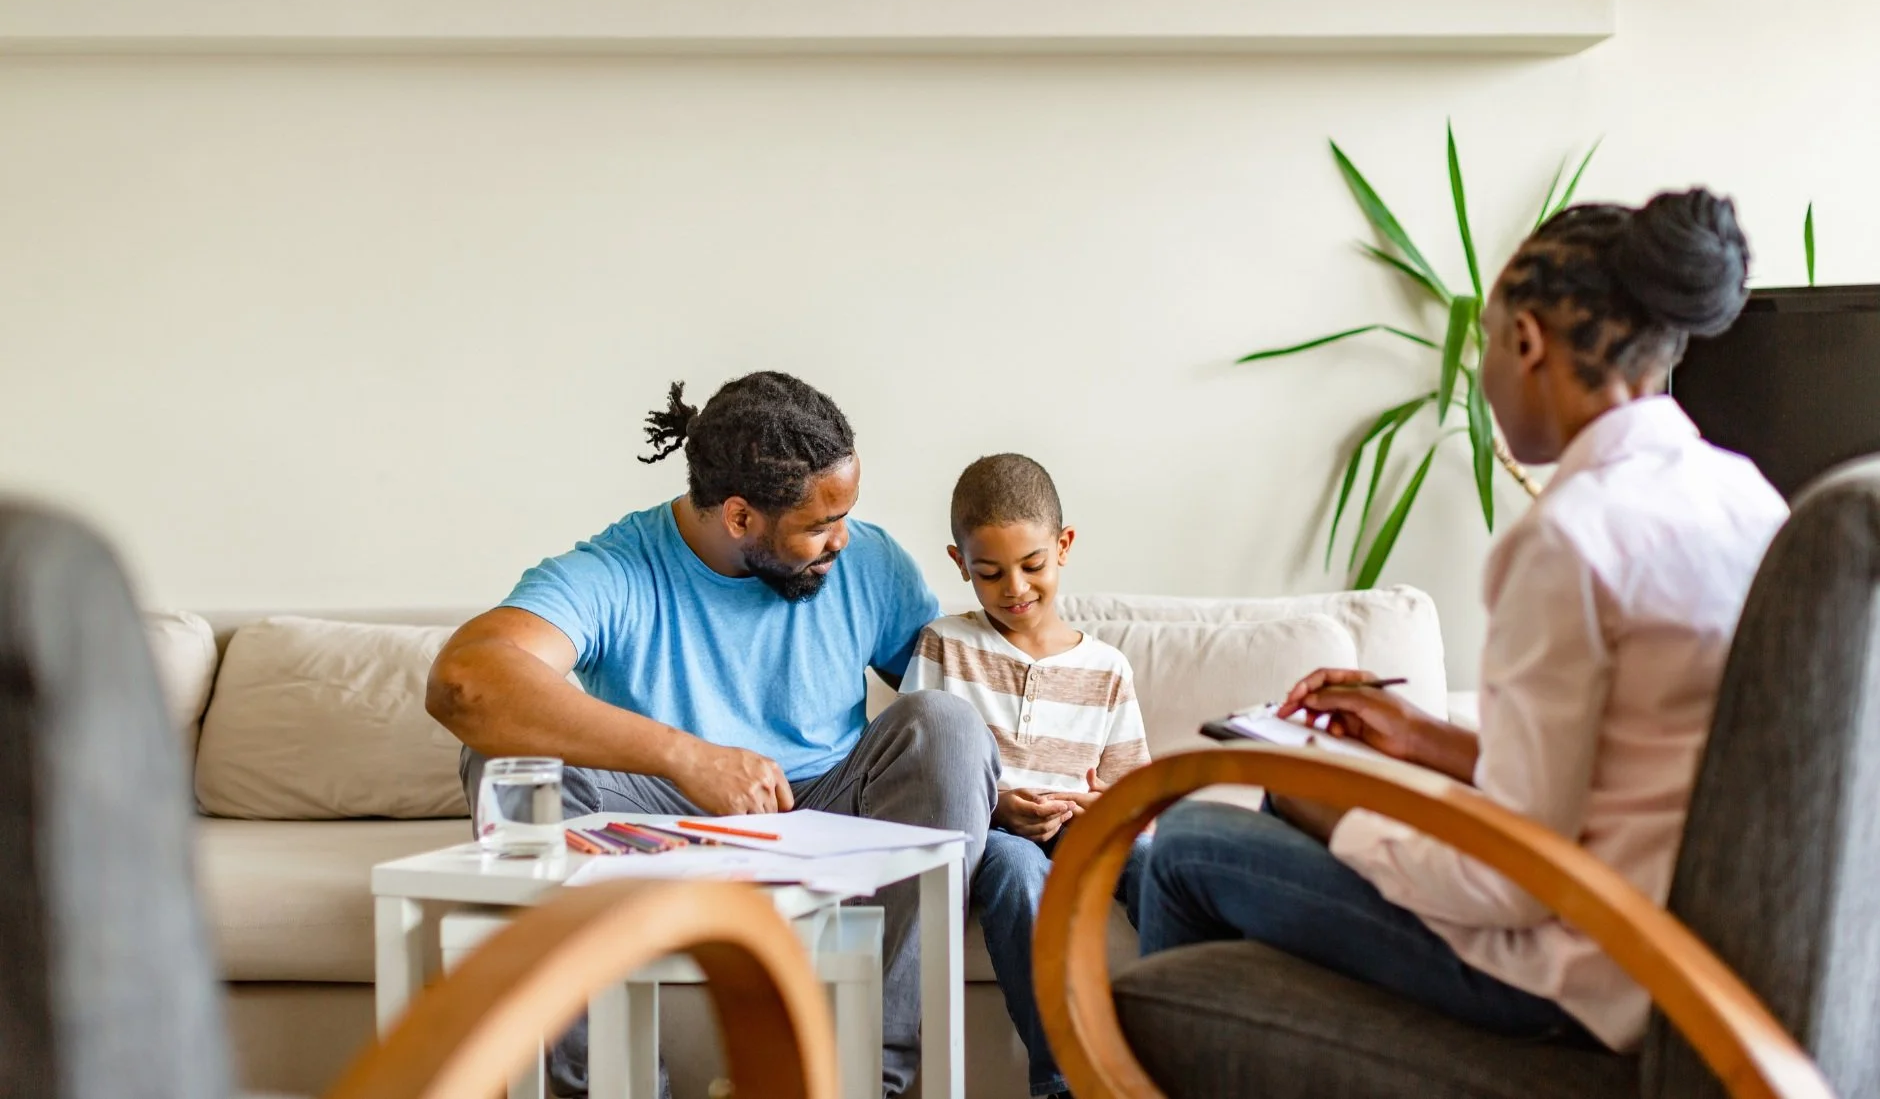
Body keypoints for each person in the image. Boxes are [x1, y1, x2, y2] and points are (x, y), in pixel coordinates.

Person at [1136, 188, 1788, 1059]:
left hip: (1580, 973)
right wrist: (1422, 739)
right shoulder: (1745, 494)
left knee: (1184, 844)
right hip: (1687, 959)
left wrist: (1333, 811)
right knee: (1190, 851)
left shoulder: (1570, 537)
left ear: (1527, 343)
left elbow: (1511, 881)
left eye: (1485, 340)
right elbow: (1619, 776)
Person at [427, 371, 999, 1098]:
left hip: (826, 806)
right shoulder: (617, 568)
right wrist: (684, 754)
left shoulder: (870, 562)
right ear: (738, 517)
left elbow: (963, 693)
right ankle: (613, 1089)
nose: (841, 538)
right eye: (819, 524)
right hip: (657, 824)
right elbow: (464, 680)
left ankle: (861, 1082)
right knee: (507, 756)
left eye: (846, 512)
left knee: (948, 724)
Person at [902, 453, 1151, 1099]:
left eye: (1032, 565)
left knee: (1158, 858)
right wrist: (999, 805)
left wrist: (1103, 807)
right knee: (1018, 870)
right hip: (993, 832)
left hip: (1079, 827)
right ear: (960, 564)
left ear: (1063, 546)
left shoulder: (1108, 668)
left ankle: (1188, 1041)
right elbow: (917, 771)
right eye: (989, 572)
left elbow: (1134, 794)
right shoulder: (944, 645)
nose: (1014, 587)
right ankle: (1065, 1081)